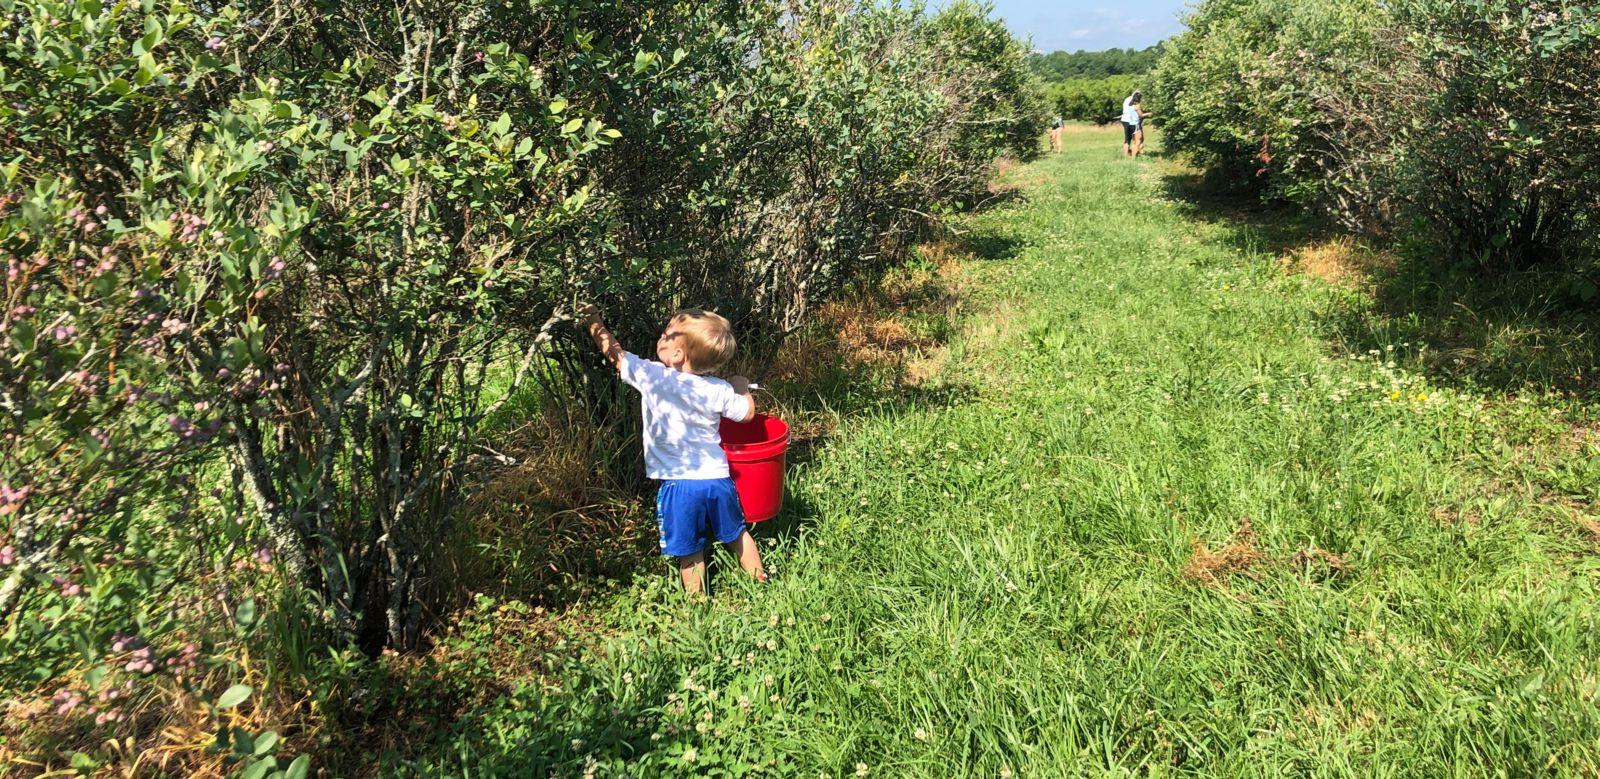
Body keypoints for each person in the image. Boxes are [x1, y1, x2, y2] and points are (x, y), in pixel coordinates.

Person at [579, 305, 768, 595]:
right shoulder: (717, 388)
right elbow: (747, 415)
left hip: (680, 485)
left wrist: (593, 320)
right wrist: (741, 387)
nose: (661, 336)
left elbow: (614, 354)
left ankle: (697, 605)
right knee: (737, 534)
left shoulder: (654, 377)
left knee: (690, 551)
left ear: (678, 355)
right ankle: (761, 583)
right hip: (718, 479)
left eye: (667, 334)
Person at [1121, 90, 1149, 158]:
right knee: (1138, 140)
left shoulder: (1126, 99)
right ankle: (1134, 157)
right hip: (1134, 122)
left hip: (1124, 120)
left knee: (1127, 139)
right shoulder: (1136, 104)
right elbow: (1141, 115)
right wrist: (1148, 114)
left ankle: (1125, 156)